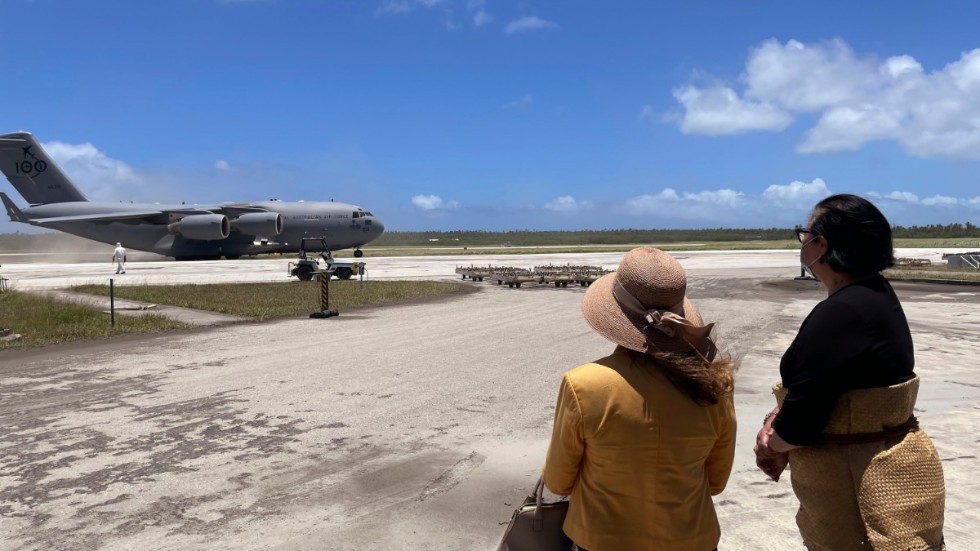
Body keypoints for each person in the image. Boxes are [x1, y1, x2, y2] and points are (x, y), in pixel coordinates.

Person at [754, 194, 946, 550]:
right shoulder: (874, 295)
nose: (802, 243)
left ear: (821, 245)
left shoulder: (841, 313)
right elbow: (829, 382)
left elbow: (803, 421)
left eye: (804, 235)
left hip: (857, 483)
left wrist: (771, 444)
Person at [543, 247, 737, 551]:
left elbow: (558, 482)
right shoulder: (716, 384)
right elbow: (715, 482)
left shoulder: (583, 384)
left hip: (601, 541)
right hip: (692, 539)